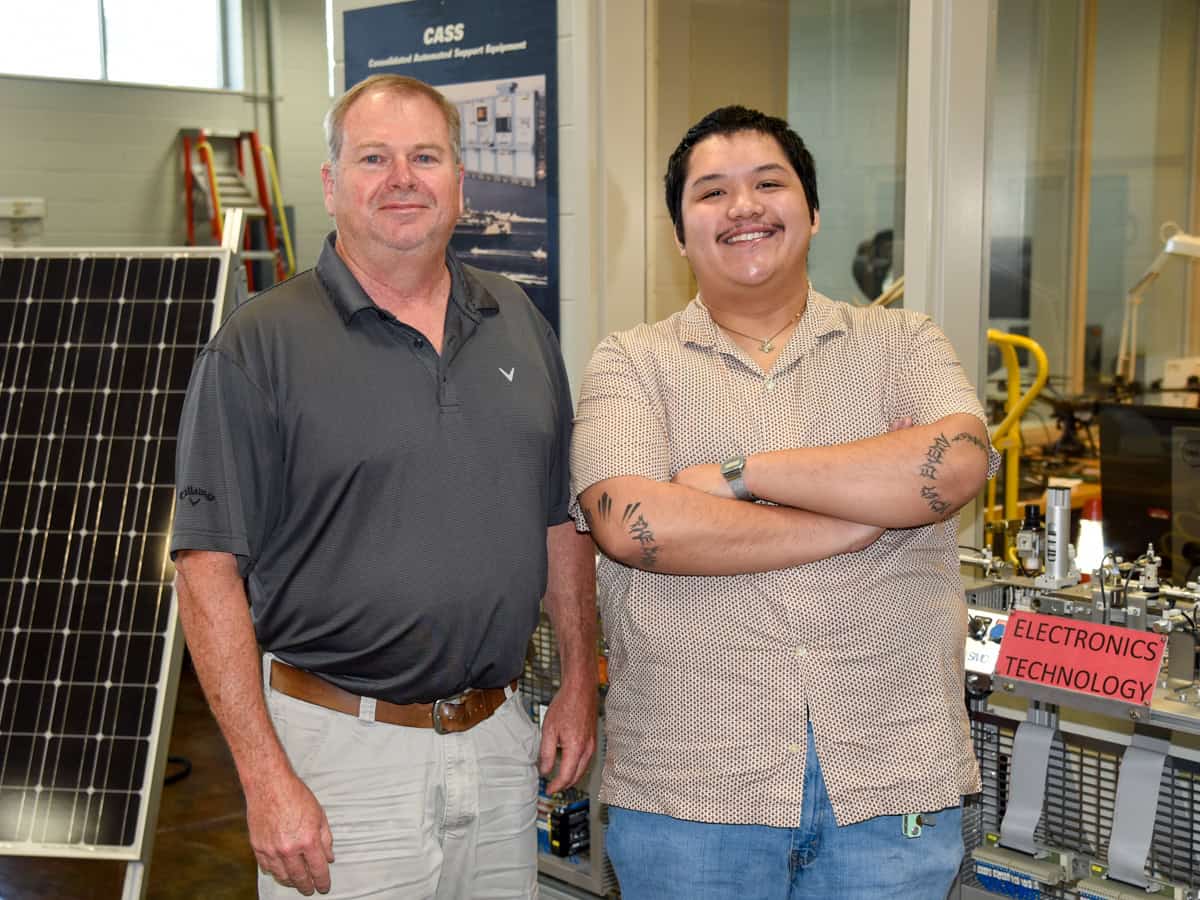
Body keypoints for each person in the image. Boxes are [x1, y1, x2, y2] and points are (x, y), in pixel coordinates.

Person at [171, 74, 597, 899]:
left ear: (460, 183)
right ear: (332, 184)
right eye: (374, 157)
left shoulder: (518, 321)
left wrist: (578, 680)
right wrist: (264, 778)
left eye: (425, 157)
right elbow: (206, 567)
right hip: (338, 760)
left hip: (499, 741)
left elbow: (558, 523)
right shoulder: (259, 346)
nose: (402, 179)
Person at [570, 106, 999, 899]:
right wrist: (863, 514)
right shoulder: (630, 363)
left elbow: (959, 464)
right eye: (712, 192)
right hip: (690, 788)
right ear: (679, 232)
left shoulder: (903, 343)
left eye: (769, 183)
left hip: (892, 775)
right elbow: (639, 527)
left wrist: (739, 475)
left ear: (812, 210)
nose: (745, 207)